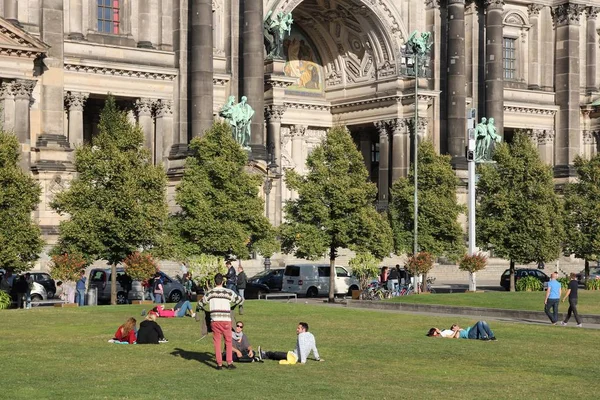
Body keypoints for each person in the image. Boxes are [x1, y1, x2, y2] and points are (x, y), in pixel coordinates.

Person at [200, 273, 244, 370]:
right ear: (223, 281)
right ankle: (229, 363)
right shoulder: (228, 292)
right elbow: (240, 300)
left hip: (215, 321)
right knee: (228, 342)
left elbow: (201, 303)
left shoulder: (210, 293)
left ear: (214, 282)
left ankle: (219, 364)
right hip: (226, 321)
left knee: (217, 342)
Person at [258, 322, 323, 364]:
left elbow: (302, 348)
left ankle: (263, 354)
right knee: (278, 355)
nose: (297, 329)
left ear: (303, 330)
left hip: (294, 357)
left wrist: (303, 361)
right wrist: (318, 358)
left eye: (298, 328)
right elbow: (314, 348)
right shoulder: (311, 335)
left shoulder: (301, 336)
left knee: (276, 354)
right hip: (296, 356)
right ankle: (265, 354)